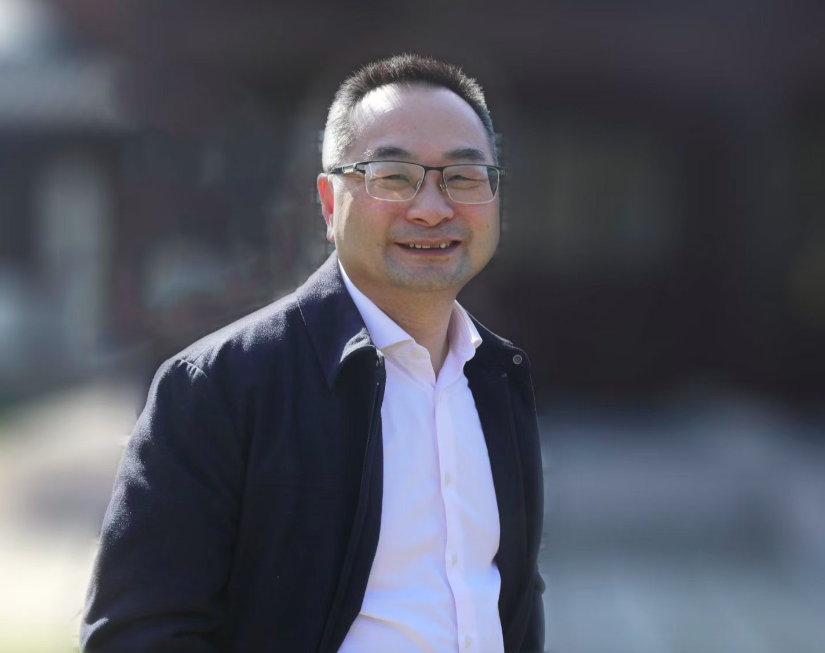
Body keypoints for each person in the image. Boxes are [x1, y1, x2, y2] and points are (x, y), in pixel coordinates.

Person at [81, 54, 545, 653]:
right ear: (329, 203)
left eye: (463, 176)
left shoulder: (498, 379)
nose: (432, 208)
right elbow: (138, 634)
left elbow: (511, 602)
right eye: (393, 176)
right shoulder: (217, 388)